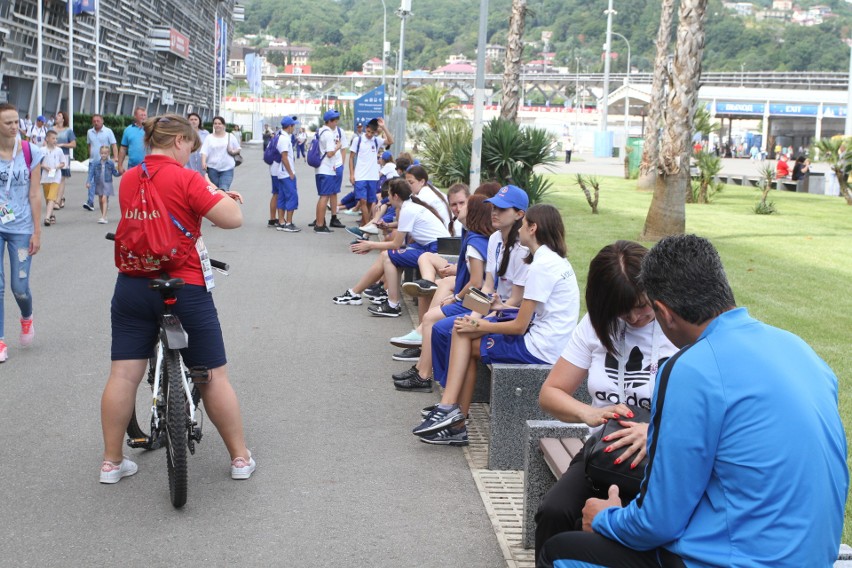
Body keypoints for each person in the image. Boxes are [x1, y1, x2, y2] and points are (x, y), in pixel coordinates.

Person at [538, 234, 848, 568]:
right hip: (814, 555)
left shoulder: (690, 367)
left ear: (664, 313)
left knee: (561, 551)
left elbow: (658, 523)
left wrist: (604, 519)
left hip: (737, 559)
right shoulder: (800, 350)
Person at [99, 113, 255, 484]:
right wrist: (215, 192)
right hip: (184, 286)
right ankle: (239, 458)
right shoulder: (187, 178)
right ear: (180, 142)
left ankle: (111, 462)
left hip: (134, 285)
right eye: (191, 147)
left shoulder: (130, 178)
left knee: (123, 374)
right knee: (211, 376)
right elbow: (232, 219)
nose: (191, 154)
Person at [534, 240, 679, 557]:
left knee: (625, 534)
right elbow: (551, 393)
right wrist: (588, 413)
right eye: (622, 309)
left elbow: (706, 413)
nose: (635, 317)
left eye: (642, 305)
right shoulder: (596, 325)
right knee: (553, 512)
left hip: (660, 459)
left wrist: (653, 431)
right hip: (602, 455)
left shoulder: (677, 328)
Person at [412, 204, 580, 445]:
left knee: (454, 329)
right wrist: (485, 311)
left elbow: (515, 316)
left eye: (502, 210)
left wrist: (478, 322)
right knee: (442, 325)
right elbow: (488, 289)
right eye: (493, 208)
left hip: (539, 344)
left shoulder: (537, 262)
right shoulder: (495, 241)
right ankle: (451, 412)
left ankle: (448, 408)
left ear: (525, 220)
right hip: (501, 311)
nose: (494, 213)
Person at [332, 178, 450, 317]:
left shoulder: (408, 209)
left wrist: (370, 245)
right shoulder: (409, 205)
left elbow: (396, 244)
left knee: (387, 255)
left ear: (395, 196)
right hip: (435, 246)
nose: (387, 197)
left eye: (388, 194)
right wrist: (387, 226)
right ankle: (368, 295)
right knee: (391, 257)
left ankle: (388, 303)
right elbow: (403, 225)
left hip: (435, 250)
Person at [0, 103, 43, 363]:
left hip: (22, 227)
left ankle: (26, 317)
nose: (15, 127)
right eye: (8, 123)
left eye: (16, 122)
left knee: (19, 287)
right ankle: (0, 341)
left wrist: (37, 231)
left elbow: (35, 193)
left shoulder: (30, 151)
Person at [348, 117, 394, 228]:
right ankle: (366, 226)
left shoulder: (376, 140)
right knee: (362, 201)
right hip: (360, 176)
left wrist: (383, 127)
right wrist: (351, 174)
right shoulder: (357, 140)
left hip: (372, 177)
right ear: (365, 128)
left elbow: (391, 141)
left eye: (372, 133)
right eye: (368, 131)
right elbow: (351, 158)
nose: (369, 134)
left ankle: (365, 225)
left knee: (369, 202)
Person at [312, 109, 346, 234]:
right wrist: (338, 146)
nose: (336, 124)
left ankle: (319, 222)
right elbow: (330, 153)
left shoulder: (320, 131)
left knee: (323, 196)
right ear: (330, 121)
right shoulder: (328, 134)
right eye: (335, 121)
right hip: (326, 169)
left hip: (320, 169)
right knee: (325, 197)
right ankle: (320, 225)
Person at [85, 113, 119, 210]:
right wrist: (90, 155)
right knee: (91, 181)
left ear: (102, 121)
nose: (96, 123)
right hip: (93, 161)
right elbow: (89, 145)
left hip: (105, 162)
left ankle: (105, 200)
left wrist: (115, 158)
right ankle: (90, 202)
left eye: (98, 121)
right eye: (94, 121)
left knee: (104, 182)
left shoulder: (108, 131)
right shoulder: (89, 132)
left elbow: (113, 145)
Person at [273, 116, 300, 233]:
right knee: (292, 196)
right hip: (286, 172)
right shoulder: (284, 139)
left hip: (281, 172)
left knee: (283, 197)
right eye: (293, 125)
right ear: (289, 126)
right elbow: (284, 157)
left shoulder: (281, 136)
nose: (294, 128)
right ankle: (288, 222)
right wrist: (290, 173)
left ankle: (281, 222)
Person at [200, 116, 241, 191]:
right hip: (212, 169)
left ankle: (225, 201)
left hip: (227, 168)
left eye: (219, 123)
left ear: (224, 125)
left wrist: (233, 151)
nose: (217, 125)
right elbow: (204, 151)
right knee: (214, 191)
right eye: (215, 123)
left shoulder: (230, 136)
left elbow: (238, 148)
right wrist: (203, 162)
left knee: (223, 190)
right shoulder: (209, 138)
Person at [86, 145, 121, 224]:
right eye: (102, 153)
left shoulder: (110, 163)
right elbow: (91, 173)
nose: (103, 155)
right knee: (100, 199)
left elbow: (114, 173)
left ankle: (103, 217)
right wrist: (88, 182)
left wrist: (121, 172)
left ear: (108, 153)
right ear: (99, 153)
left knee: (104, 199)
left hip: (107, 183)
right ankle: (103, 215)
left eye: (105, 153)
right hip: (99, 183)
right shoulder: (96, 163)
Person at [39, 130, 66, 226]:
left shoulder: (59, 150)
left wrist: (57, 166)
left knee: (52, 197)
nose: (55, 140)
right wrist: (44, 167)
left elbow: (63, 163)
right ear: (47, 139)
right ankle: (51, 215)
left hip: (56, 177)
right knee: (48, 198)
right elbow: (38, 162)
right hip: (46, 177)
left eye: (56, 138)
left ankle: (46, 218)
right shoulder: (42, 150)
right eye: (53, 138)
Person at [52, 111, 76, 210]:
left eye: (59, 115)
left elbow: (73, 144)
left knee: (61, 178)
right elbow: (46, 141)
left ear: (63, 119)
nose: (56, 117)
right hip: (52, 156)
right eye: (56, 115)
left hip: (64, 156)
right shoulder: (51, 130)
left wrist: (62, 145)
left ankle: (57, 201)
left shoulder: (68, 131)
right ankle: (60, 198)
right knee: (53, 179)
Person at [117, 107, 148, 174]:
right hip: (132, 166)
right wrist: (119, 166)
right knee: (131, 184)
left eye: (144, 115)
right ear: (135, 116)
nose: (143, 117)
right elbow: (123, 149)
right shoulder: (128, 130)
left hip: (148, 167)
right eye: (141, 115)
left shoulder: (150, 129)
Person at [185, 112, 209, 177]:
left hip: (201, 161)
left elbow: (208, 147)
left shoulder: (205, 133)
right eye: (191, 119)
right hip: (188, 161)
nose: (193, 121)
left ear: (199, 121)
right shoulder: (184, 133)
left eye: (195, 119)